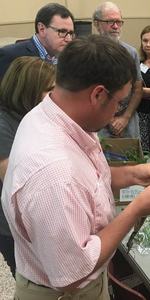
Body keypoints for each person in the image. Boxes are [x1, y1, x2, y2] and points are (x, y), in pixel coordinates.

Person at [1, 35, 150, 299]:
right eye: (119, 102)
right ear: (97, 94)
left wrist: (132, 174)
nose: (117, 111)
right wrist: (137, 209)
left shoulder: (61, 115)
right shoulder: (54, 175)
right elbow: (73, 275)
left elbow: (90, 179)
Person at [0, 57, 55, 278]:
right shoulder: (4, 125)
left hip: (35, 219)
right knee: (29, 276)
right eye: (49, 90)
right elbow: (15, 180)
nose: (55, 96)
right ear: (28, 90)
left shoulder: (33, 115)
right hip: (13, 226)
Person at [93, 1, 143, 139]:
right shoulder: (89, 54)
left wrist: (125, 118)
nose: (115, 26)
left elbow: (137, 89)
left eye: (119, 22)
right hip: (98, 120)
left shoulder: (131, 53)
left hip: (127, 119)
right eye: (110, 21)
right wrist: (109, 120)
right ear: (96, 24)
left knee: (132, 158)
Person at [0, 3, 74, 80]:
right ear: (42, 29)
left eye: (71, 33)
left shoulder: (70, 58)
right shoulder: (11, 56)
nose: (69, 39)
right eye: (62, 31)